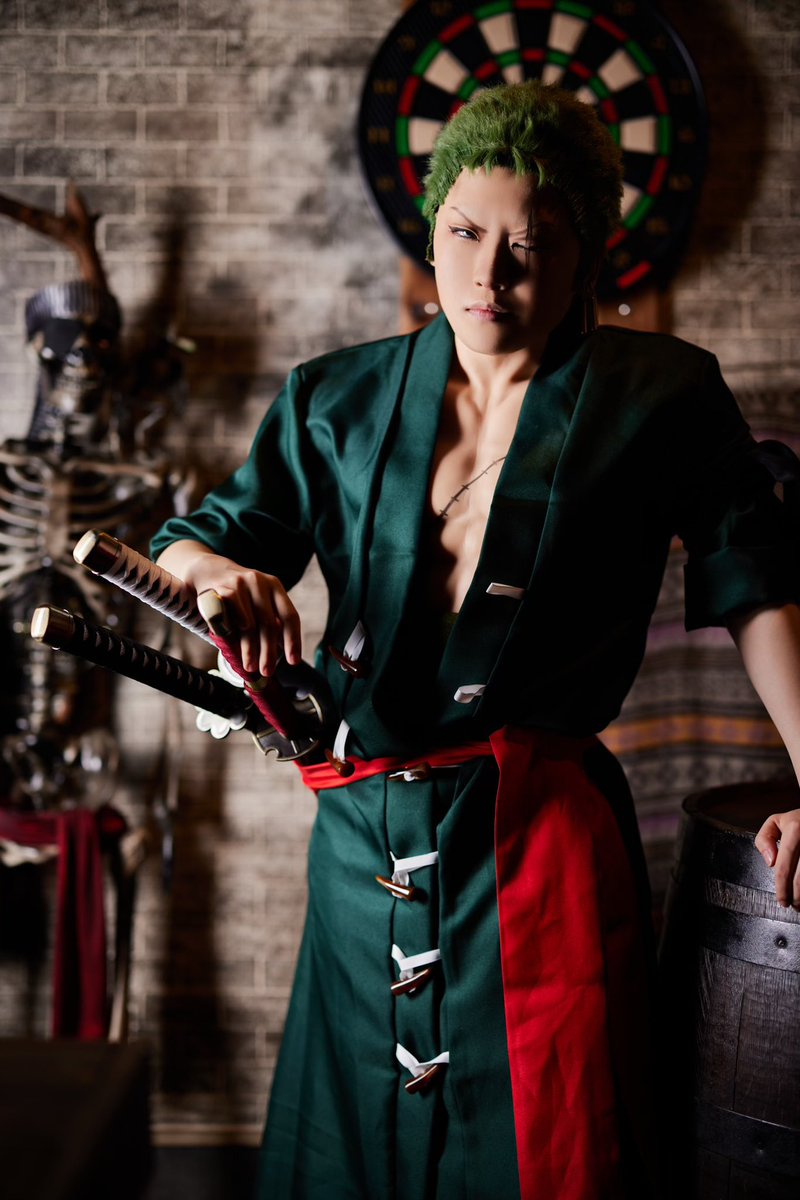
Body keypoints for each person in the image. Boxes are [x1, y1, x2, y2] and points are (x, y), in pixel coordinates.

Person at [151, 82, 800, 1200]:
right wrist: (221, 576)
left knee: (551, 1150)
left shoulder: (661, 393)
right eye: (464, 233)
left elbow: (756, 582)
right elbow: (190, 546)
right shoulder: (332, 397)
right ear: (430, 229)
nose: (489, 273)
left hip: (540, 840)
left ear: (585, 257)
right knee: (352, 1153)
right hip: (359, 846)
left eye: (530, 246)